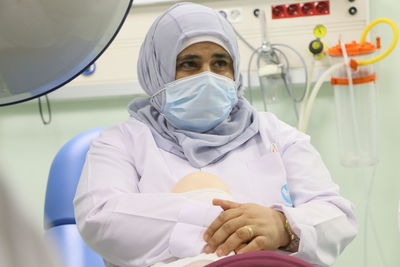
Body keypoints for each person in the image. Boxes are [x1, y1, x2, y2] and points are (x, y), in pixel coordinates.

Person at [73, 2, 357, 267]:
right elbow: (102, 217)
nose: (208, 76)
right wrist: (231, 224)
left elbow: (337, 217)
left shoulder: (277, 135)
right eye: (189, 64)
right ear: (158, 71)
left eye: (220, 63)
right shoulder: (121, 142)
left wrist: (282, 225)